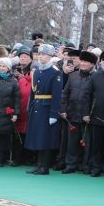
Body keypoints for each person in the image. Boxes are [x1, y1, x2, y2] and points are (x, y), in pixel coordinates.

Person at [24, 44, 63, 175]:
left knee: (45, 138)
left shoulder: (55, 72)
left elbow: (57, 95)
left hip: (47, 108)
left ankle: (44, 166)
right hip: (37, 107)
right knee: (37, 137)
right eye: (39, 54)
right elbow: (33, 92)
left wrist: (53, 113)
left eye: (44, 54)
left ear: (50, 56)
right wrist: (30, 107)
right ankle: (39, 165)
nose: (41, 56)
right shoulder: (38, 71)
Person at [60, 51, 96, 174]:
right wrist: (63, 109)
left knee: (86, 143)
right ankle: (70, 164)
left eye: (87, 62)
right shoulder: (73, 75)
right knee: (72, 142)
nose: (84, 64)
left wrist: (88, 114)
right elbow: (65, 93)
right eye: (82, 61)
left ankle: (85, 165)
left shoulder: (95, 77)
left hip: (87, 116)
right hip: (71, 114)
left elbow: (95, 98)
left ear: (92, 64)